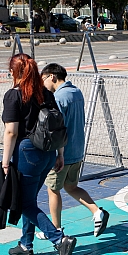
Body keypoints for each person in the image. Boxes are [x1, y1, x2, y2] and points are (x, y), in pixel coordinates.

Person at [1, 54, 77, 255]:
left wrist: (5, 162)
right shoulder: (45, 93)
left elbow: (11, 132)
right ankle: (26, 244)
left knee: (24, 203)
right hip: (48, 152)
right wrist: (60, 154)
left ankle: (59, 239)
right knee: (30, 199)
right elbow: (57, 125)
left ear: (14, 73)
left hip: (26, 153)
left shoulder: (14, 95)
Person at [38, 64, 110, 240]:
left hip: (62, 152)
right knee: (71, 186)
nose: (42, 84)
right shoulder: (76, 92)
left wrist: (56, 154)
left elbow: (56, 127)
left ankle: (55, 230)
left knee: (53, 190)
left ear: (52, 76)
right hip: (77, 149)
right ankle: (96, 212)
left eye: (43, 79)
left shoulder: (59, 97)